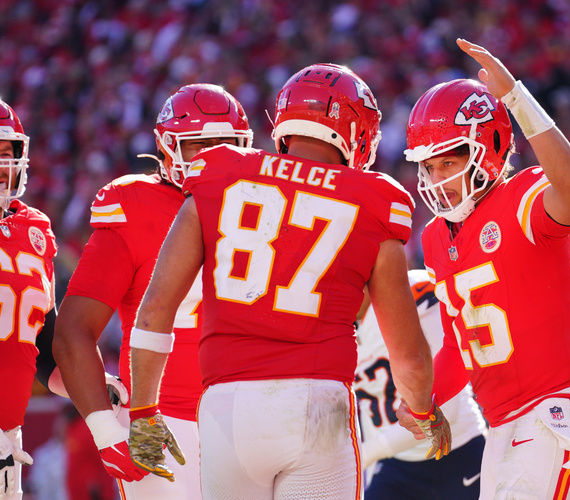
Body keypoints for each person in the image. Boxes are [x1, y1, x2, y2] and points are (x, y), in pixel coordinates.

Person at [125, 63, 450, 500]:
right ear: (357, 133)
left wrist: (144, 408)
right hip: (317, 405)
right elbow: (408, 355)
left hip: (226, 408)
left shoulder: (219, 172)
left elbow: (155, 309)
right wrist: (422, 410)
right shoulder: (375, 198)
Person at [399, 38, 570, 499]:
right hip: (503, 425)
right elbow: (460, 336)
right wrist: (428, 401)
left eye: (447, 162)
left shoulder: (522, 198)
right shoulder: (434, 237)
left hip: (552, 410)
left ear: (487, 149)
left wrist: (516, 98)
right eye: (428, 167)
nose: (436, 180)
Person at [52, 83, 253, 499]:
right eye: (201, 145)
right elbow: (73, 331)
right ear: (167, 148)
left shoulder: (264, 200)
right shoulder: (135, 204)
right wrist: (107, 432)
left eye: (227, 145)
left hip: (254, 418)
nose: (215, 157)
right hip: (163, 423)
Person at [355, 268, 486, 499]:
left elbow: (445, 409)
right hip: (396, 464)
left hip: (457, 451)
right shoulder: (331, 325)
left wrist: (364, 455)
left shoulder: (412, 293)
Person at [0, 99, 60, 500]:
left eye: (4, 153)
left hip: (8, 439)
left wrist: (92, 384)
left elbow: (46, 346)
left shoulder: (34, 228)